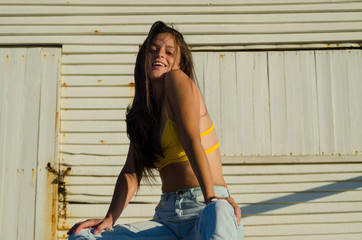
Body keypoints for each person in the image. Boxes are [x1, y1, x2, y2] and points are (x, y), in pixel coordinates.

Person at [67, 21, 243, 240]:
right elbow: (131, 172)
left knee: (219, 212)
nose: (160, 55)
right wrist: (110, 218)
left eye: (169, 52)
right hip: (167, 218)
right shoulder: (143, 113)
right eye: (153, 50)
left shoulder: (177, 81)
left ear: (179, 62)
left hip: (205, 208)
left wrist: (210, 198)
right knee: (84, 237)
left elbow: (191, 141)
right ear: (144, 58)